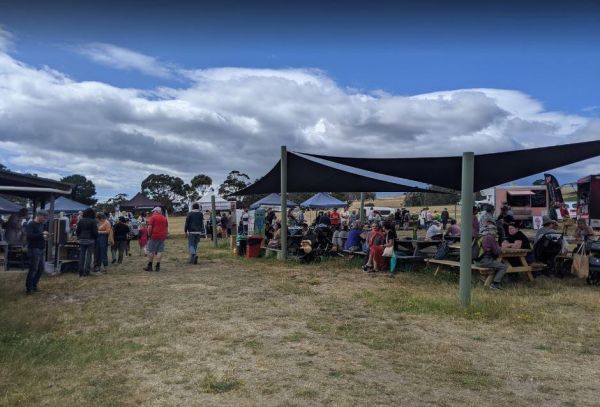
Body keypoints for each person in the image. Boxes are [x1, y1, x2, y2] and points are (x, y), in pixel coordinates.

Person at [476, 225, 507, 290]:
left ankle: (491, 281)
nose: (496, 233)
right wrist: (498, 245)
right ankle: (495, 284)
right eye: (496, 231)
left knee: (497, 264)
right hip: (484, 261)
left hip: (477, 261)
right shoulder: (490, 237)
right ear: (493, 231)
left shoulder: (481, 236)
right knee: (503, 266)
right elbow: (496, 252)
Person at [24, 210, 49, 294]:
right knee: (33, 269)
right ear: (39, 215)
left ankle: (34, 285)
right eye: (44, 217)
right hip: (34, 249)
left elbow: (40, 235)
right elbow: (29, 236)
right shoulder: (31, 224)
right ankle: (29, 288)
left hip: (41, 249)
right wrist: (41, 234)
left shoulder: (42, 224)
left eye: (46, 217)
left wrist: (45, 236)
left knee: (41, 269)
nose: (45, 219)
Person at [144, 207, 169, 272]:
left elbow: (149, 227)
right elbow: (166, 227)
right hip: (162, 236)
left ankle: (150, 266)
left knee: (151, 250)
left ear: (156, 211)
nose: (153, 213)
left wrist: (149, 235)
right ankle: (158, 266)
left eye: (153, 211)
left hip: (154, 235)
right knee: (160, 251)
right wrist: (165, 235)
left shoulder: (153, 217)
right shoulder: (164, 218)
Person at [76, 208, 98, 277]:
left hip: (82, 239)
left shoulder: (81, 220)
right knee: (89, 256)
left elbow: (77, 230)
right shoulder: (93, 221)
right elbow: (95, 232)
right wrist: (95, 237)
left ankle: (80, 270)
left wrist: (79, 237)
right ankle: (86, 271)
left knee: (82, 255)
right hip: (90, 240)